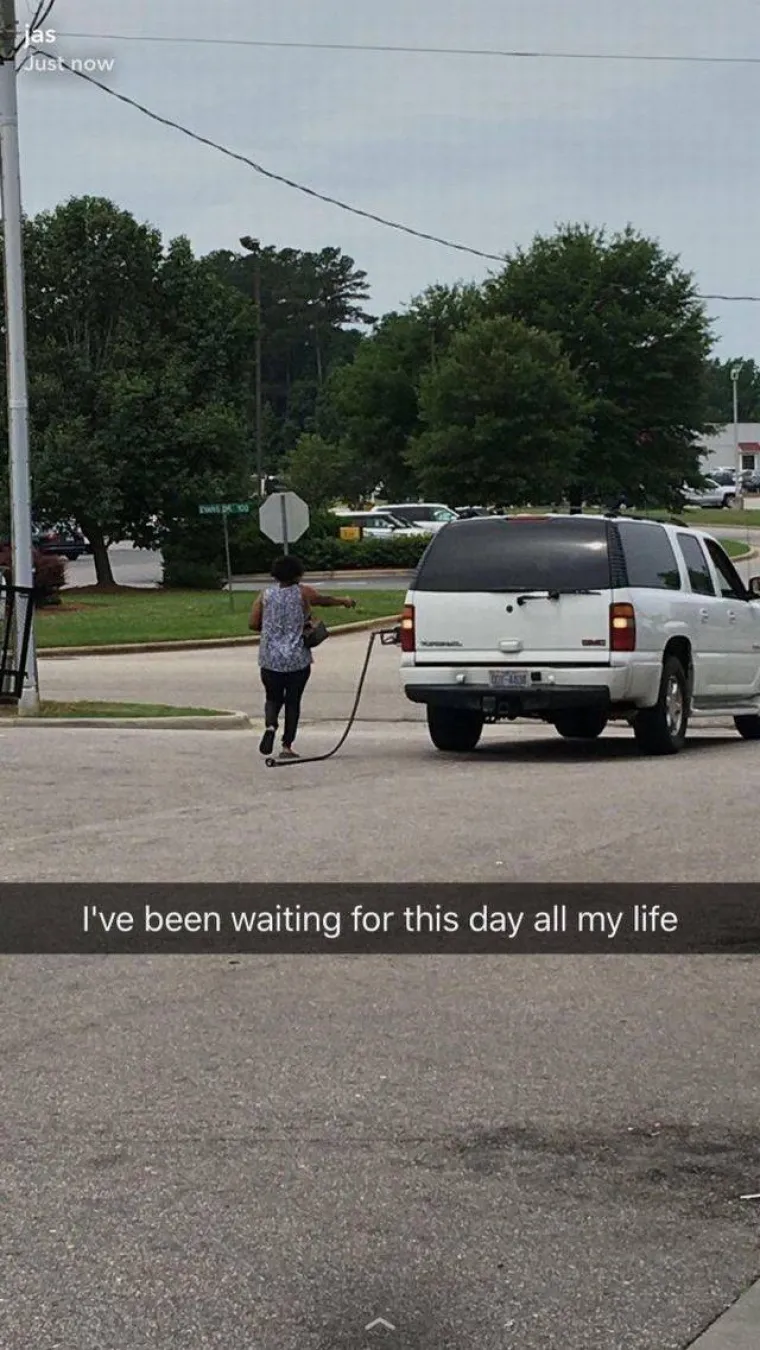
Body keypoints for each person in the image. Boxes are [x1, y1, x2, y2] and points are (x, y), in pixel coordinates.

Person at [249, 555, 356, 759]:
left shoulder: (265, 595)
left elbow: (253, 624)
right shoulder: (302, 593)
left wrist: (273, 628)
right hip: (297, 658)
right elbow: (324, 601)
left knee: (272, 697)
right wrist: (345, 601)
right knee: (293, 701)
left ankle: (270, 726)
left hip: (270, 658)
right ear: (298, 573)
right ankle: (287, 746)